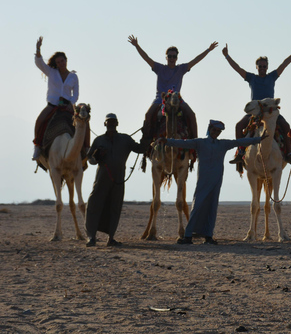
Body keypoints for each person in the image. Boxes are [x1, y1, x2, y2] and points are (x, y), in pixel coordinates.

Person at [158, 120, 263, 245]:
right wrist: (167, 141)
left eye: (218, 131)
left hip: (216, 180)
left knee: (212, 207)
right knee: (197, 206)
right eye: (214, 130)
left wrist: (258, 140)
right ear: (209, 129)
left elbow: (239, 142)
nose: (216, 133)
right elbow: (183, 143)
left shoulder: (222, 144)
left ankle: (208, 236)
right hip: (203, 179)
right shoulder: (200, 142)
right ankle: (188, 236)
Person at [128, 35, 218, 147]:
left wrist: (208, 50)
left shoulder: (181, 69)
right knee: (148, 114)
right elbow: (147, 58)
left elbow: (195, 60)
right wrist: (137, 46)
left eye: (174, 56)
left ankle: (195, 144)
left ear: (177, 58)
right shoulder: (159, 68)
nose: (171, 59)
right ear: (166, 57)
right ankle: (146, 142)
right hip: (160, 99)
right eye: (169, 56)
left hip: (177, 99)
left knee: (191, 115)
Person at [222, 41, 291, 165]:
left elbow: (284, 64)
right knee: (239, 126)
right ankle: (241, 152)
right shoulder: (252, 78)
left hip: (270, 110)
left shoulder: (272, 77)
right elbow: (238, 69)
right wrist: (227, 56)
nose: (262, 68)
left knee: (286, 126)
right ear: (256, 67)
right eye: (260, 66)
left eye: (264, 66)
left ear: (267, 67)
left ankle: (288, 154)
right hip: (255, 112)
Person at [84, 113, 145, 247]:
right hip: (101, 180)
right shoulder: (98, 141)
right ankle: (91, 237)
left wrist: (146, 134)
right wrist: (97, 156)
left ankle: (111, 238)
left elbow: (141, 149)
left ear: (117, 124)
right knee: (94, 205)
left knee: (115, 207)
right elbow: (90, 160)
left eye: (113, 122)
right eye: (108, 122)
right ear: (105, 124)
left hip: (118, 181)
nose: (111, 124)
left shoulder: (126, 140)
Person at [33, 36, 89, 162]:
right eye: (58, 62)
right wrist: (38, 49)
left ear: (66, 60)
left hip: (68, 106)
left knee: (84, 120)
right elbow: (39, 63)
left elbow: (76, 94)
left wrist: (71, 103)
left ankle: (87, 148)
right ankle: (37, 146)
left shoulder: (73, 76)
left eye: (62, 61)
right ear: (56, 63)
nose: (60, 64)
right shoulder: (51, 72)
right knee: (40, 120)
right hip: (52, 105)